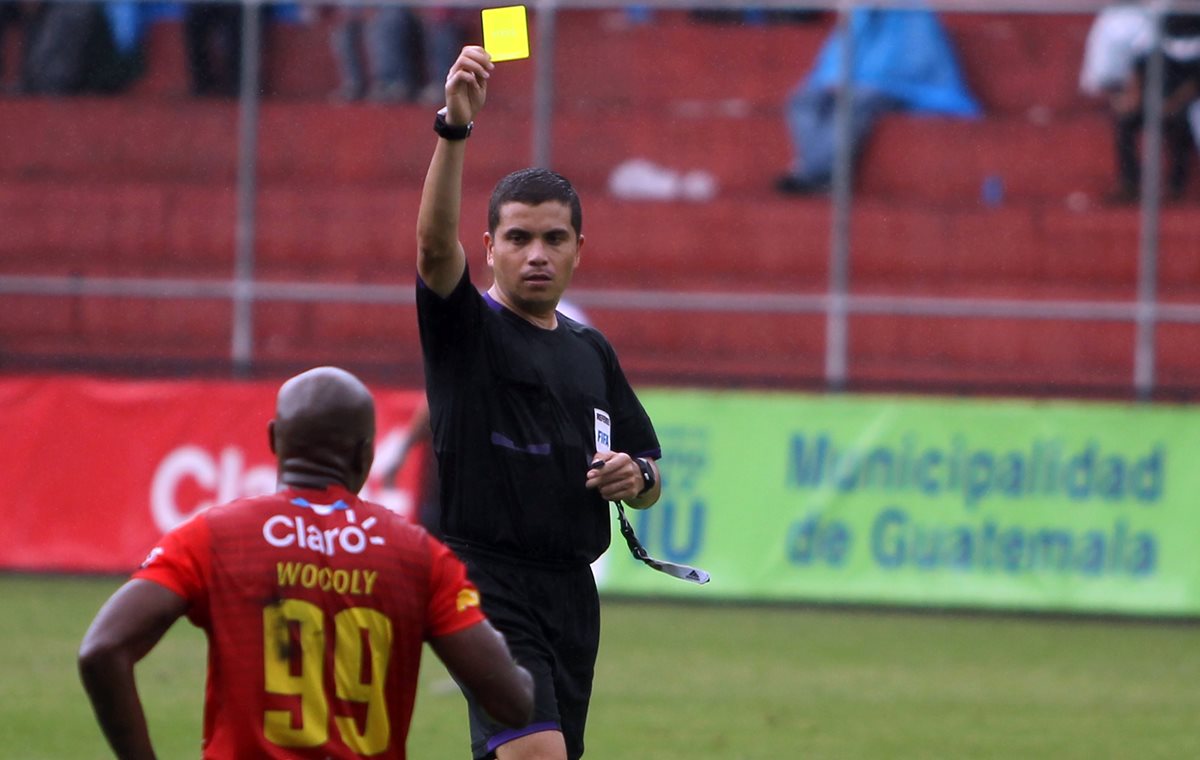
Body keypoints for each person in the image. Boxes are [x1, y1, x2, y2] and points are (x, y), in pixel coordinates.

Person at [78, 366, 533, 759]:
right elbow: (512, 703)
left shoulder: (212, 537)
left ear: (274, 439)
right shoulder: (418, 555)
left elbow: (101, 649)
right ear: (365, 454)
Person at [414, 46, 663, 760]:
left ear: (579, 248)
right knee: (535, 753)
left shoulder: (591, 350)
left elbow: (649, 472)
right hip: (486, 578)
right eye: (518, 238)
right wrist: (453, 130)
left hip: (572, 593)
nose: (536, 254)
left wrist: (637, 477)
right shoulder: (466, 329)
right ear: (489, 247)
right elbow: (432, 250)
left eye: (554, 239)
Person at [775, 7, 980, 195]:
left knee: (858, 102)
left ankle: (811, 173)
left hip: (899, 87)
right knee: (803, 100)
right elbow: (836, 55)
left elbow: (912, 64)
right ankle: (821, 174)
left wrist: (859, 82)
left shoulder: (913, 14)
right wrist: (833, 79)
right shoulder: (859, 13)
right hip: (853, 83)